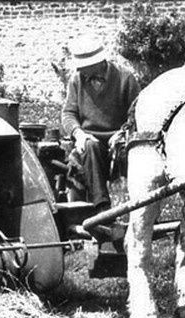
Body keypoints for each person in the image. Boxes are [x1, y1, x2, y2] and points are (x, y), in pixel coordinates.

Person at [61, 35, 140, 211]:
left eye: (85, 66)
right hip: (89, 139)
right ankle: (101, 207)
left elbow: (136, 112)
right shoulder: (76, 80)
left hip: (119, 138)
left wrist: (123, 133)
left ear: (98, 63)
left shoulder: (125, 78)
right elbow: (68, 113)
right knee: (90, 147)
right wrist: (78, 134)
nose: (81, 70)